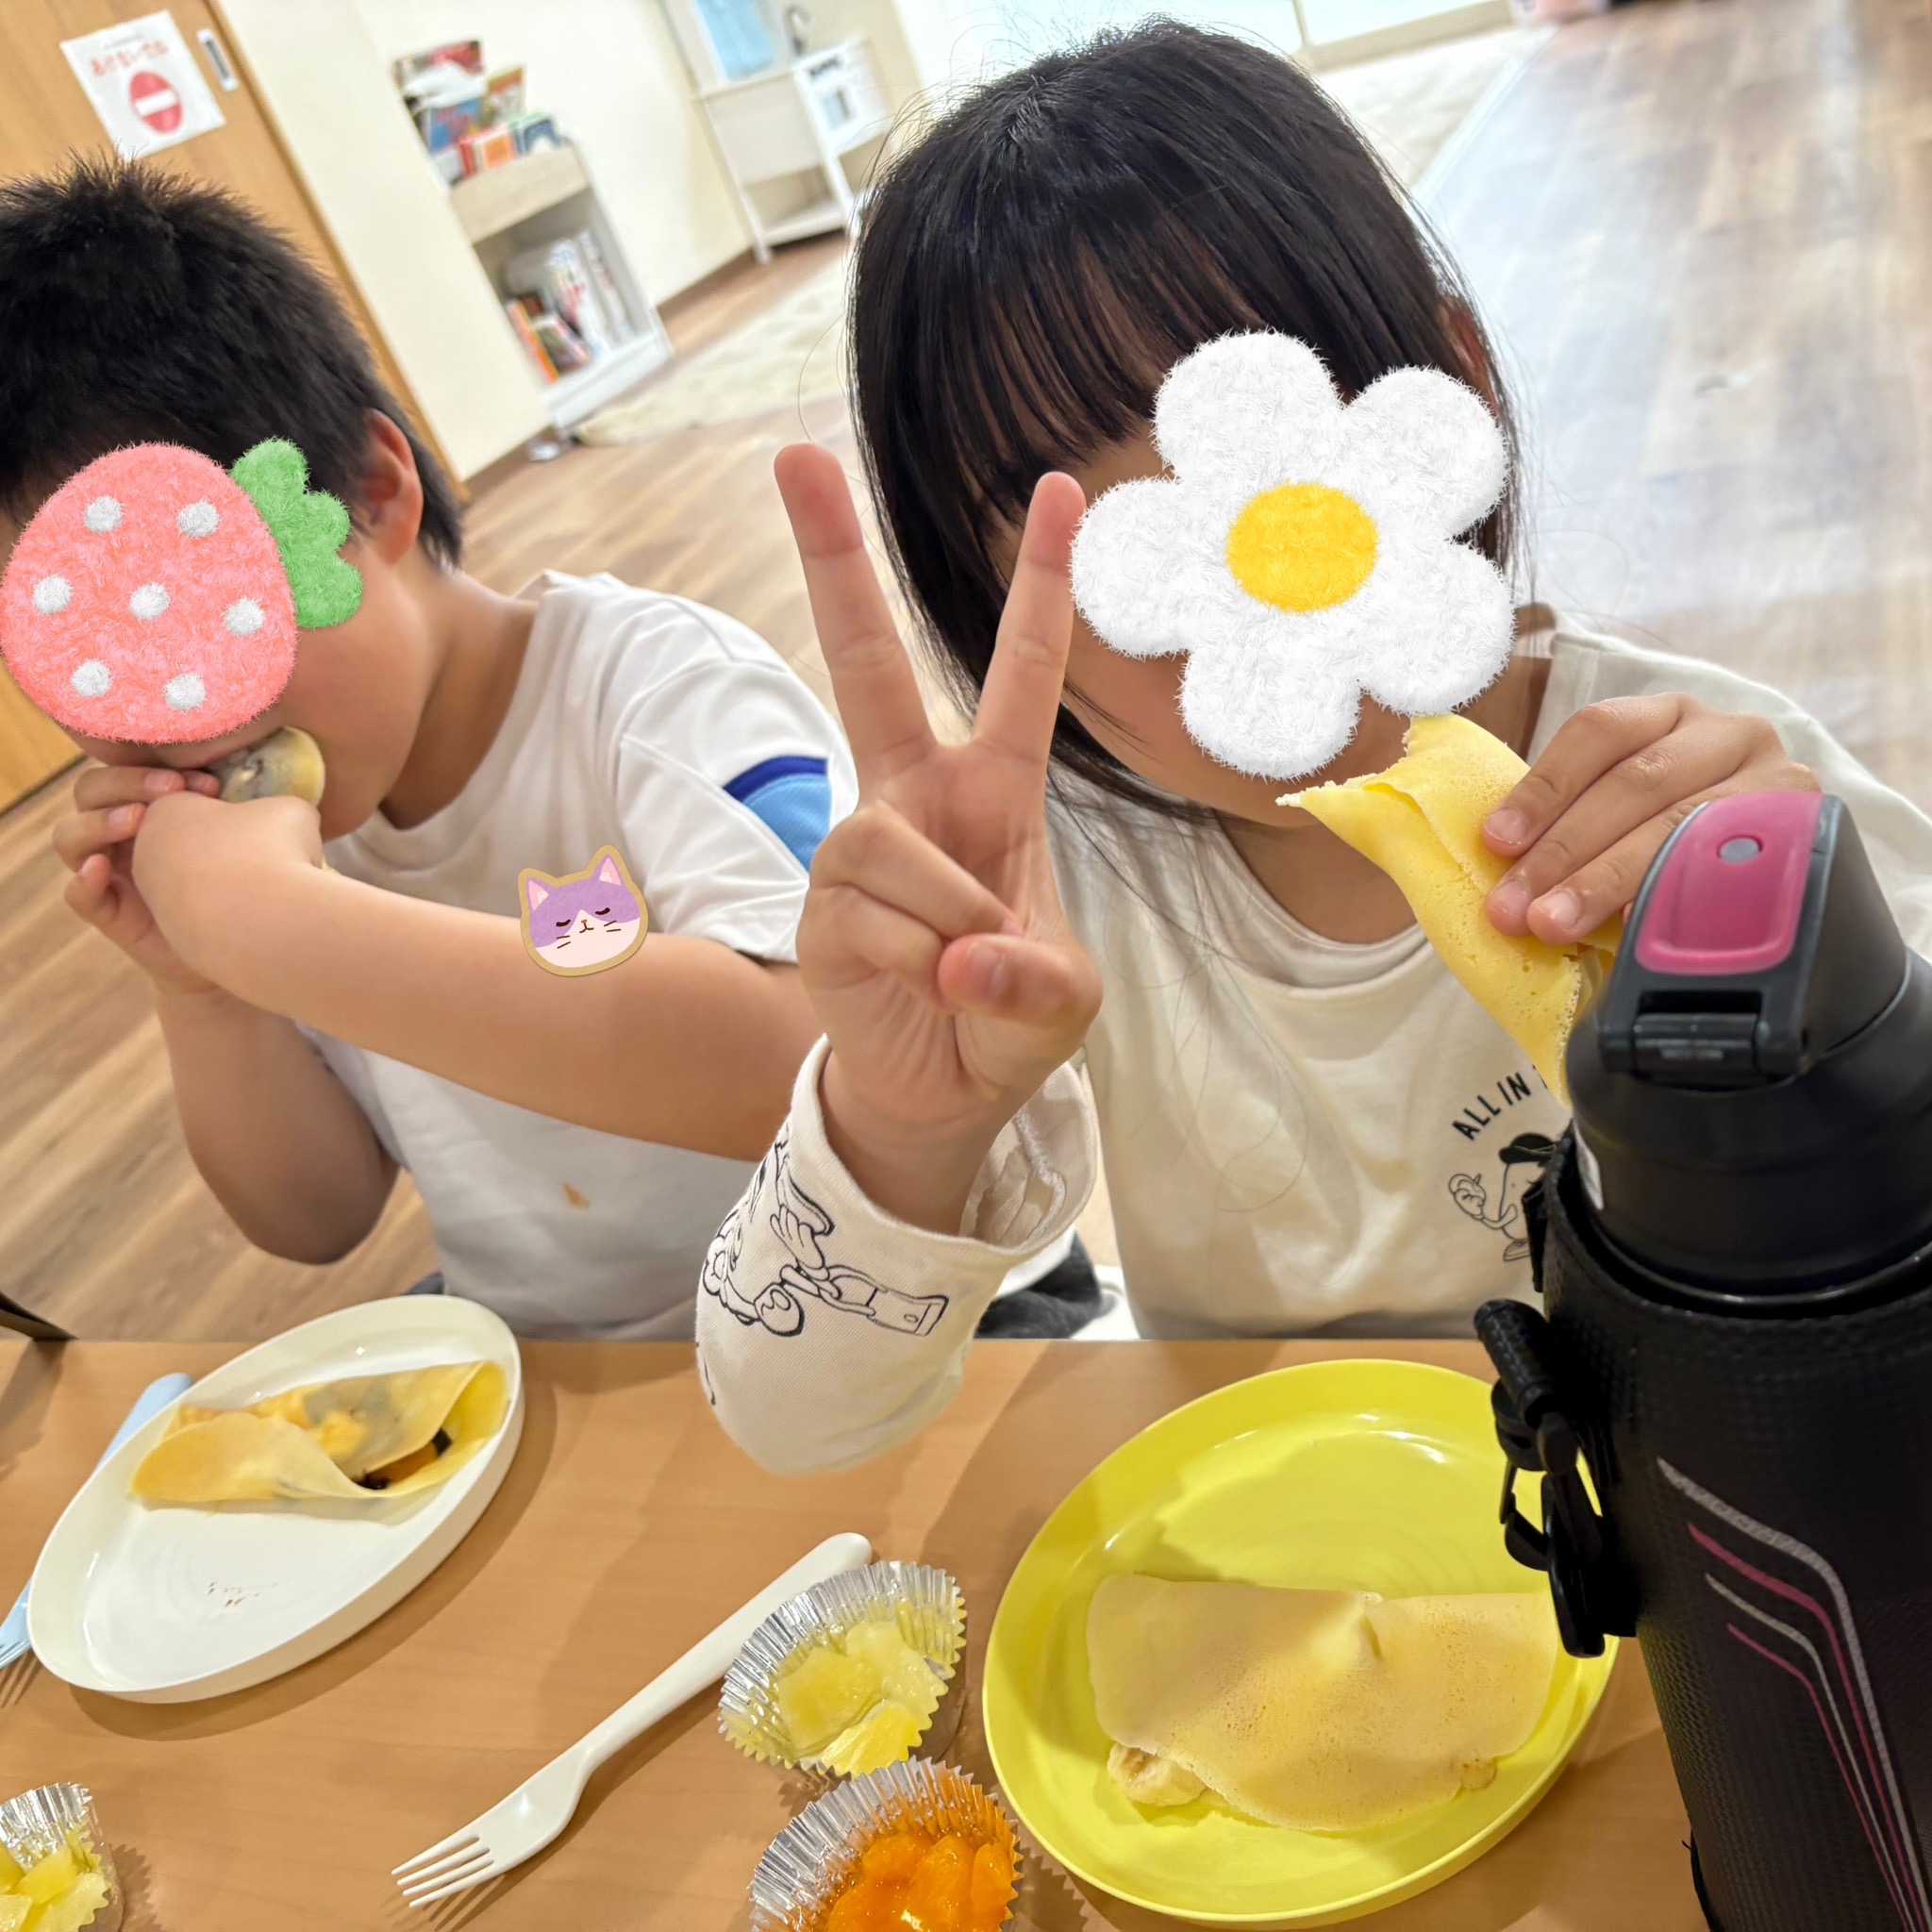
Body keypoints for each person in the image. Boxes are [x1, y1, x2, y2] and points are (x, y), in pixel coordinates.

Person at [694, 23, 1932, 1470]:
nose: (1230, 603)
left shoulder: (1711, 805)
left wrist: (1842, 1008)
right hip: (1294, 1539)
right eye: (1102, 541)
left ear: (1446, 395)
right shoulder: (1043, 908)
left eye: (1266, 468)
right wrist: (899, 1126)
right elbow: (787, 1420)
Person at [1, 160, 854, 1338]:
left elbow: (822, 1065)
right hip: (546, 1351)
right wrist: (203, 987)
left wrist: (278, 926)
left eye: (189, 610)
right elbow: (318, 1216)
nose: (165, 721)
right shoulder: (299, 834)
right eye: (79, 657)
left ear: (375, 487)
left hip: (867, 1318)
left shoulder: (658, 693)